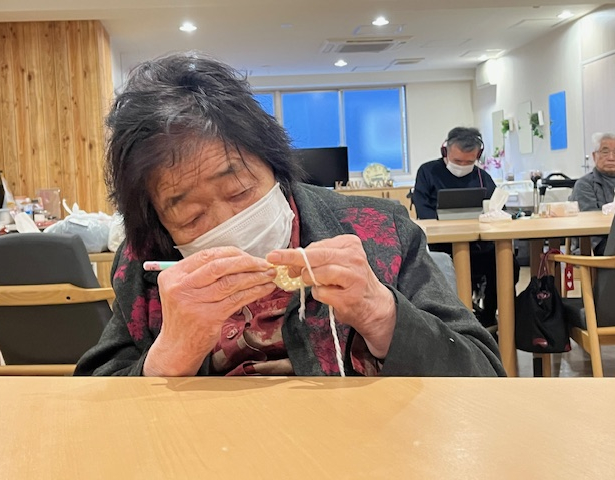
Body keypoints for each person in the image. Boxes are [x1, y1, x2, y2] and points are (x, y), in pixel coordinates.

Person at [74, 52, 504, 377]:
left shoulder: (380, 230)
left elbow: (484, 374)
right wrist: (172, 353)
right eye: (190, 217)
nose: (226, 222)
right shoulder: (143, 263)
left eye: (240, 190)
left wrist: (380, 313)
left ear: (275, 166)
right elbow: (98, 410)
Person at [413, 127, 514, 328]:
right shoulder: (428, 172)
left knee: (508, 263)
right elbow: (423, 212)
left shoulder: (482, 177)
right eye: (457, 161)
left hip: (479, 246)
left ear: (478, 156)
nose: (462, 166)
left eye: (469, 162)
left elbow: (497, 210)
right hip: (442, 248)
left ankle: (489, 317)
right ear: (446, 151)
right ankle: (455, 321)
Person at [570, 132, 615, 255]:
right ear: (594, 156)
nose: (611, 157)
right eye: (605, 152)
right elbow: (590, 222)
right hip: (597, 244)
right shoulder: (584, 184)